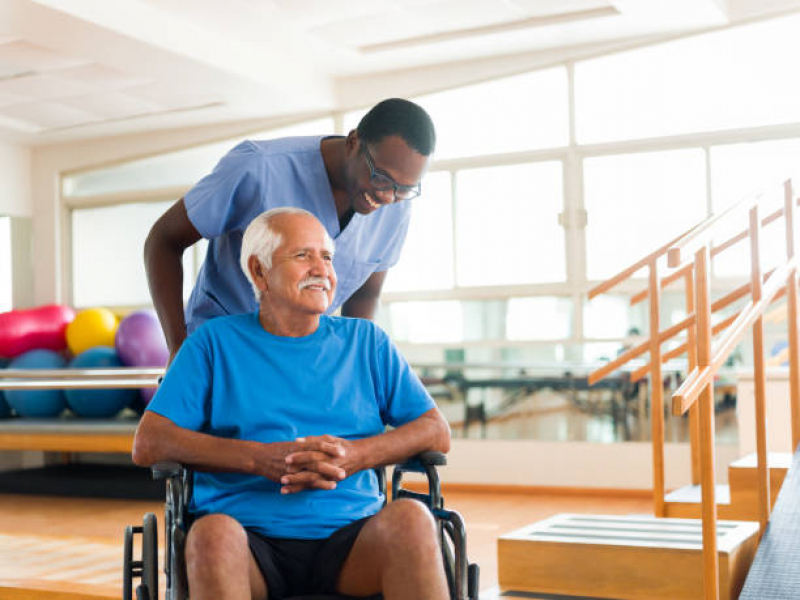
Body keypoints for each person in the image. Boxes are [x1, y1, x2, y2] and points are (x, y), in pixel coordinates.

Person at [133, 207, 451, 600]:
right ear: (259, 271)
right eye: (303, 255)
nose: (321, 268)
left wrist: (358, 455)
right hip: (246, 540)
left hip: (353, 541)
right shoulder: (212, 343)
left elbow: (435, 431)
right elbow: (150, 442)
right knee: (210, 536)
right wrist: (257, 459)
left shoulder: (367, 342)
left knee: (413, 519)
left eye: (327, 257)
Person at [144, 98, 436, 363]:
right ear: (353, 142)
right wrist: (178, 348)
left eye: (404, 189)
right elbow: (164, 240)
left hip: (299, 362)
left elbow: (365, 294)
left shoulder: (396, 206)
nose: (386, 196)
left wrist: (354, 364)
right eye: (380, 177)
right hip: (219, 355)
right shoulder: (257, 168)